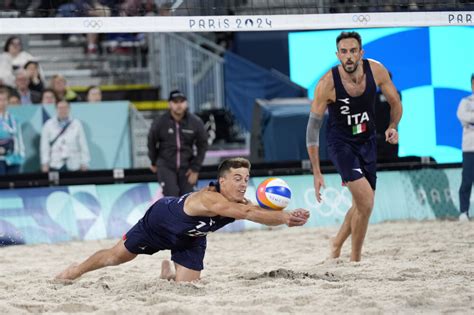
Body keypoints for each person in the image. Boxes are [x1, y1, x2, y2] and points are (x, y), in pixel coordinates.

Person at [55, 157, 310, 282]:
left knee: (187, 290)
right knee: (116, 257)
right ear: (222, 181)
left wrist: (288, 215)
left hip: (190, 238)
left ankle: (168, 271)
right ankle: (75, 271)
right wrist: (286, 218)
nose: (244, 184)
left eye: (246, 178)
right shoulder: (211, 199)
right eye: (237, 178)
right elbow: (249, 214)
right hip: (160, 223)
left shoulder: (239, 202)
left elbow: (257, 212)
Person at [306, 31, 402, 262]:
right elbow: (312, 131)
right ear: (337, 55)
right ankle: (355, 259)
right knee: (367, 202)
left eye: (353, 51)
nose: (348, 56)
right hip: (341, 144)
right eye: (344, 52)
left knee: (361, 203)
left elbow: (395, 102)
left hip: (367, 140)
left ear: (361, 52)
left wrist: (393, 125)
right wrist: (317, 172)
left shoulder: (376, 70)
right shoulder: (327, 84)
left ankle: (336, 243)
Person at [147, 90, 208, 196]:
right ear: (169, 104)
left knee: (188, 199)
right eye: (175, 102)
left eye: (182, 101)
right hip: (166, 165)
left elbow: (203, 145)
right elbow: (151, 141)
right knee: (172, 196)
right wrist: (154, 161)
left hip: (187, 167)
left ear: (186, 103)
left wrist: (195, 168)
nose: (179, 105)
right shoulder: (160, 122)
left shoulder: (195, 122)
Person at [40, 100, 90, 172]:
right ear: (56, 109)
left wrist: (85, 162)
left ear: (69, 109)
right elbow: (44, 146)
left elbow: (83, 144)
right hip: (55, 163)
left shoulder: (76, 124)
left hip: (74, 163)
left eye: (65, 108)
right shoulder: (48, 125)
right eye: (60, 108)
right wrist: (45, 163)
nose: (63, 110)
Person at [456, 74, 474, 222]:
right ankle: (464, 211)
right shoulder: (465, 102)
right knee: (467, 180)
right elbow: (464, 116)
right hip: (469, 147)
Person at [0, 88, 25, 175]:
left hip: (13, 157)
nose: (2, 103)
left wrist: (21, 154)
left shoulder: (14, 119)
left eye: (4, 100)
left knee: (13, 184)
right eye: (0, 100)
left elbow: (19, 138)